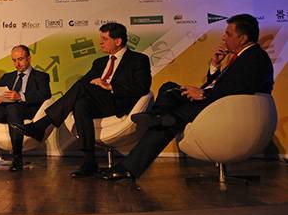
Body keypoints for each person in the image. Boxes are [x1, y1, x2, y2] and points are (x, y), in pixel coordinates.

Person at [102, 14, 274, 181]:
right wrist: (215, 65)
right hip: (217, 103)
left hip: (224, 109)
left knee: (168, 122)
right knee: (169, 88)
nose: (224, 38)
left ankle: (131, 163)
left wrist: (203, 93)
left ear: (243, 38)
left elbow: (239, 88)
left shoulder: (255, 57)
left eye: (228, 34)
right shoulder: (241, 57)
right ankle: (157, 116)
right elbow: (221, 84)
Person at [13, 22, 151, 178]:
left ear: (118, 41)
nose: (101, 42)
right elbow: (85, 83)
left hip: (118, 103)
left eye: (105, 39)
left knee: (81, 87)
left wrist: (110, 86)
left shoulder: (138, 59)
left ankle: (42, 124)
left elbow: (142, 88)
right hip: (98, 103)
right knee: (80, 104)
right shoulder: (99, 62)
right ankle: (89, 161)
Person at [0, 45, 51, 171]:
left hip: (25, 110)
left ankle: (17, 157)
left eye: (20, 59)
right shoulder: (8, 77)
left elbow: (45, 94)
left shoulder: (41, 76)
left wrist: (20, 96)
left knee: (13, 107)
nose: (17, 64)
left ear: (29, 58)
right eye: (14, 60)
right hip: (4, 111)